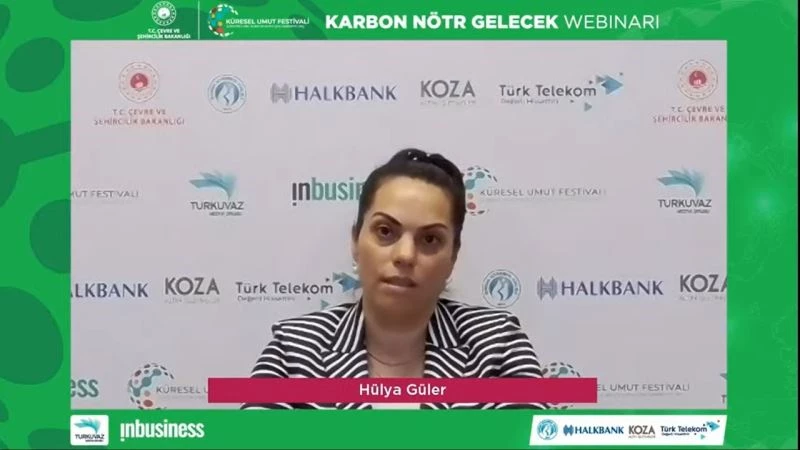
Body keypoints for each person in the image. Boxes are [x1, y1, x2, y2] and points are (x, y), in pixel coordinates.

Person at [241, 148, 548, 410]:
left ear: (453, 257)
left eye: (430, 239)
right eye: (386, 231)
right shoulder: (294, 350)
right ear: (355, 241)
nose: (405, 255)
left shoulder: (497, 345)